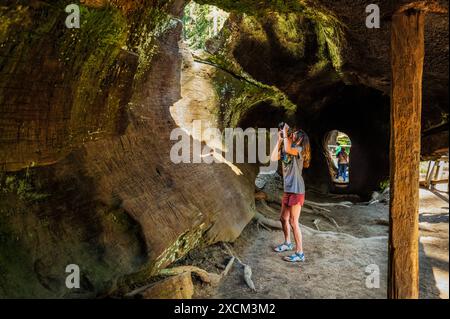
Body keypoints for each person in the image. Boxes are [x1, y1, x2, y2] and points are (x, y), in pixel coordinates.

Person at [270, 123, 311, 262]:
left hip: (297, 190)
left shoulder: (299, 150)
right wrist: (280, 139)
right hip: (288, 189)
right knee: (283, 219)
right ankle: (288, 243)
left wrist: (286, 132)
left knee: (294, 221)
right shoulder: (287, 150)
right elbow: (274, 157)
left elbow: (289, 147)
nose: (292, 134)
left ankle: (300, 253)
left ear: (300, 139)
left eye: (295, 134)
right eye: (292, 133)